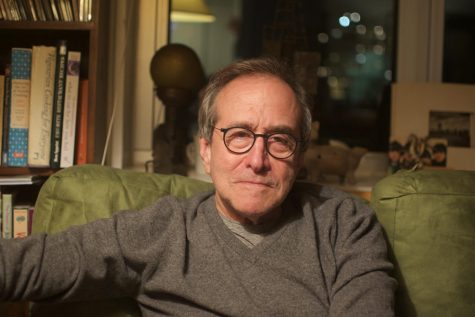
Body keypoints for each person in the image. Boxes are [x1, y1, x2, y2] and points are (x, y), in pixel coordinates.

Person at [0, 57, 396, 316]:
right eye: (239, 135)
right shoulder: (162, 229)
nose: (257, 161)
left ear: (300, 156)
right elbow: (32, 264)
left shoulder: (345, 225)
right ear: (205, 151)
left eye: (279, 139)